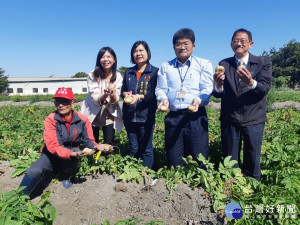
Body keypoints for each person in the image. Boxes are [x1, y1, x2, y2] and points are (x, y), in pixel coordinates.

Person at [19, 87, 112, 199]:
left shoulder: (83, 120)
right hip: (51, 153)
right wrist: (72, 154)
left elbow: (87, 140)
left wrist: (97, 146)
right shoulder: (51, 120)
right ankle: (19, 197)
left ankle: (66, 176)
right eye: (58, 102)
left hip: (73, 151)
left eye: (64, 102)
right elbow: (53, 145)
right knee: (33, 171)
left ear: (73, 104)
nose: (60, 105)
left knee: (76, 153)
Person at [213, 28, 273, 181]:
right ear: (231, 44)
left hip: (254, 118)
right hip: (230, 118)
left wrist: (251, 83)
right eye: (235, 41)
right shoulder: (224, 64)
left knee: (252, 156)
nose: (238, 44)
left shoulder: (262, 63)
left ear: (250, 44)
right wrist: (218, 85)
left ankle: (253, 187)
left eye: (242, 41)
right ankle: (232, 185)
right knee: (229, 157)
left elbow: (264, 88)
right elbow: (219, 94)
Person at [155, 28, 214, 168]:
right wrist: (162, 98)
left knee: (199, 157)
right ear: (174, 47)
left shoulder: (203, 64)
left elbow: (207, 88)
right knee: (174, 158)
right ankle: (177, 186)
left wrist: (198, 100)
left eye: (186, 43)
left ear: (193, 46)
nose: (182, 47)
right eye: (178, 44)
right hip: (174, 116)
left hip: (196, 116)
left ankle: (200, 186)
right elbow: (161, 88)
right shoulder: (166, 66)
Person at [121, 41, 158, 169]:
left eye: (141, 50)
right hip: (129, 116)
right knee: (133, 148)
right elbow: (123, 91)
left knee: (147, 149)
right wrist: (125, 94)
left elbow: (154, 95)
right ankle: (133, 174)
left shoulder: (154, 72)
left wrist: (139, 97)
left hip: (146, 117)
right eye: (135, 51)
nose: (138, 53)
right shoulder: (129, 72)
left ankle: (147, 174)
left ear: (147, 52)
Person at [80, 47, 123, 145]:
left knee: (109, 142)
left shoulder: (118, 76)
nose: (106, 59)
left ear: (114, 59)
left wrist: (112, 96)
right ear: (99, 60)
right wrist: (104, 95)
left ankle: (107, 157)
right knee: (92, 142)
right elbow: (94, 96)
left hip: (108, 111)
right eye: (102, 57)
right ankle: (93, 159)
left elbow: (115, 101)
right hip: (92, 109)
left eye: (109, 56)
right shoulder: (93, 75)